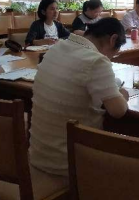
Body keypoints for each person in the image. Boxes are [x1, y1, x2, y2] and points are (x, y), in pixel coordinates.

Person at [30, 18, 129, 177]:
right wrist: (123, 94)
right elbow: (118, 111)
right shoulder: (96, 60)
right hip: (69, 164)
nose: (110, 58)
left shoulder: (56, 48)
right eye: (114, 53)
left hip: (38, 156)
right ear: (113, 39)